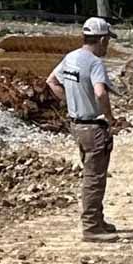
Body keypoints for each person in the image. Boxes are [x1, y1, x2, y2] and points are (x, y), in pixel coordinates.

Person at [45, 17, 119, 243]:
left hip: (76, 125)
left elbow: (51, 81)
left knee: (92, 174)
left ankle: (97, 219)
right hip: (93, 126)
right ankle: (91, 226)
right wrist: (109, 116)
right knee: (94, 178)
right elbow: (100, 92)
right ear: (103, 39)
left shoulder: (71, 58)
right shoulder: (95, 63)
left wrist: (71, 102)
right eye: (108, 40)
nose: (108, 45)